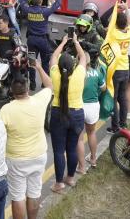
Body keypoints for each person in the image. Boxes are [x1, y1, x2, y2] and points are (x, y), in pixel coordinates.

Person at [0, 61, 53, 219]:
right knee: (34, 192)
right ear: (28, 89)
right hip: (39, 155)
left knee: (18, 196)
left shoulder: (6, 110)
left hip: (16, 159)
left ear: (11, 91)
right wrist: (39, 67)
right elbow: (49, 86)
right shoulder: (39, 100)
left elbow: (1, 135)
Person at [49, 34, 86, 193]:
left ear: (59, 67)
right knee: (72, 148)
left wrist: (63, 42)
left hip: (58, 114)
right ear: (73, 66)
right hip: (77, 115)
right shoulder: (79, 73)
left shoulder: (55, 74)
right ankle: (70, 178)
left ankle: (59, 183)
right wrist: (76, 42)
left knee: (58, 150)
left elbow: (53, 57)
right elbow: (83, 56)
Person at [104, 1, 130, 133]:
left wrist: (115, 7)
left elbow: (107, 21)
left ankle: (115, 127)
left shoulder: (113, 34)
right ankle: (123, 124)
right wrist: (127, 8)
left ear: (115, 23)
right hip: (126, 68)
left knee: (114, 98)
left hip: (115, 69)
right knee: (123, 97)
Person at [19, 0, 62, 76]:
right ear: (41, 1)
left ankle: (32, 84)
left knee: (32, 62)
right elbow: (57, 3)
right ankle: (44, 82)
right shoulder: (45, 11)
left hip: (31, 40)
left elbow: (22, 1)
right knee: (45, 62)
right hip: (43, 41)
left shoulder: (27, 10)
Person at [76, 46, 106, 174]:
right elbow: (104, 88)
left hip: (80, 105)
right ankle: (93, 159)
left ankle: (81, 167)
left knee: (79, 138)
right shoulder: (96, 72)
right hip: (93, 105)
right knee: (91, 133)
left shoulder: (76, 72)